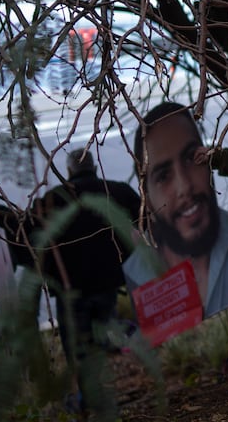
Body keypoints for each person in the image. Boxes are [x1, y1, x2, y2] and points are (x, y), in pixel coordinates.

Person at [24, 149, 142, 407]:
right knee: (99, 342)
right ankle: (97, 397)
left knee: (78, 349)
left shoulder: (53, 200)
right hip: (107, 284)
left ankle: (89, 399)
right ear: (94, 168)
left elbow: (29, 236)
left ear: (68, 171)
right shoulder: (115, 191)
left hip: (71, 290)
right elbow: (142, 214)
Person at [125, 104, 228, 319]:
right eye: (163, 176)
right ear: (146, 196)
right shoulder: (139, 275)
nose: (185, 187)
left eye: (191, 158)